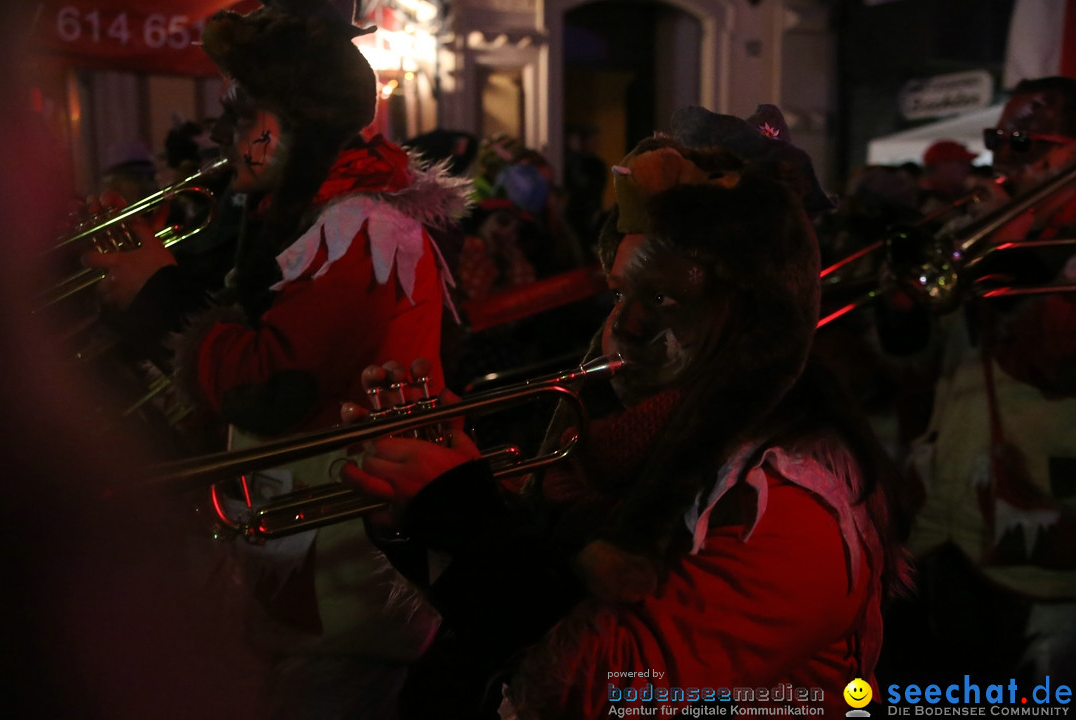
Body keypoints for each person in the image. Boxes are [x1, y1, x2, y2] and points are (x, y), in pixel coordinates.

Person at [340, 105, 909, 719]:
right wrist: (423, 512)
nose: (625, 325)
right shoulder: (608, 449)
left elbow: (609, 687)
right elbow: (525, 605)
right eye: (619, 293)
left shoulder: (793, 504)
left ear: (749, 316)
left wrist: (469, 519)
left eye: (663, 297)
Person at [82, 2, 471, 717]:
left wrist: (155, 293)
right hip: (306, 580)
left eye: (240, 122)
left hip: (345, 590)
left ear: (275, 129)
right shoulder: (317, 221)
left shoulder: (360, 232)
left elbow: (271, 385)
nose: (231, 144)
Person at [878, 76, 1076, 687]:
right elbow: (914, 354)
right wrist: (902, 306)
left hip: (1043, 529)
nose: (1001, 157)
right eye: (998, 139)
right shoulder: (988, 228)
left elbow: (1055, 362)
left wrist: (1010, 253)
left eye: (1024, 141)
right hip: (950, 510)